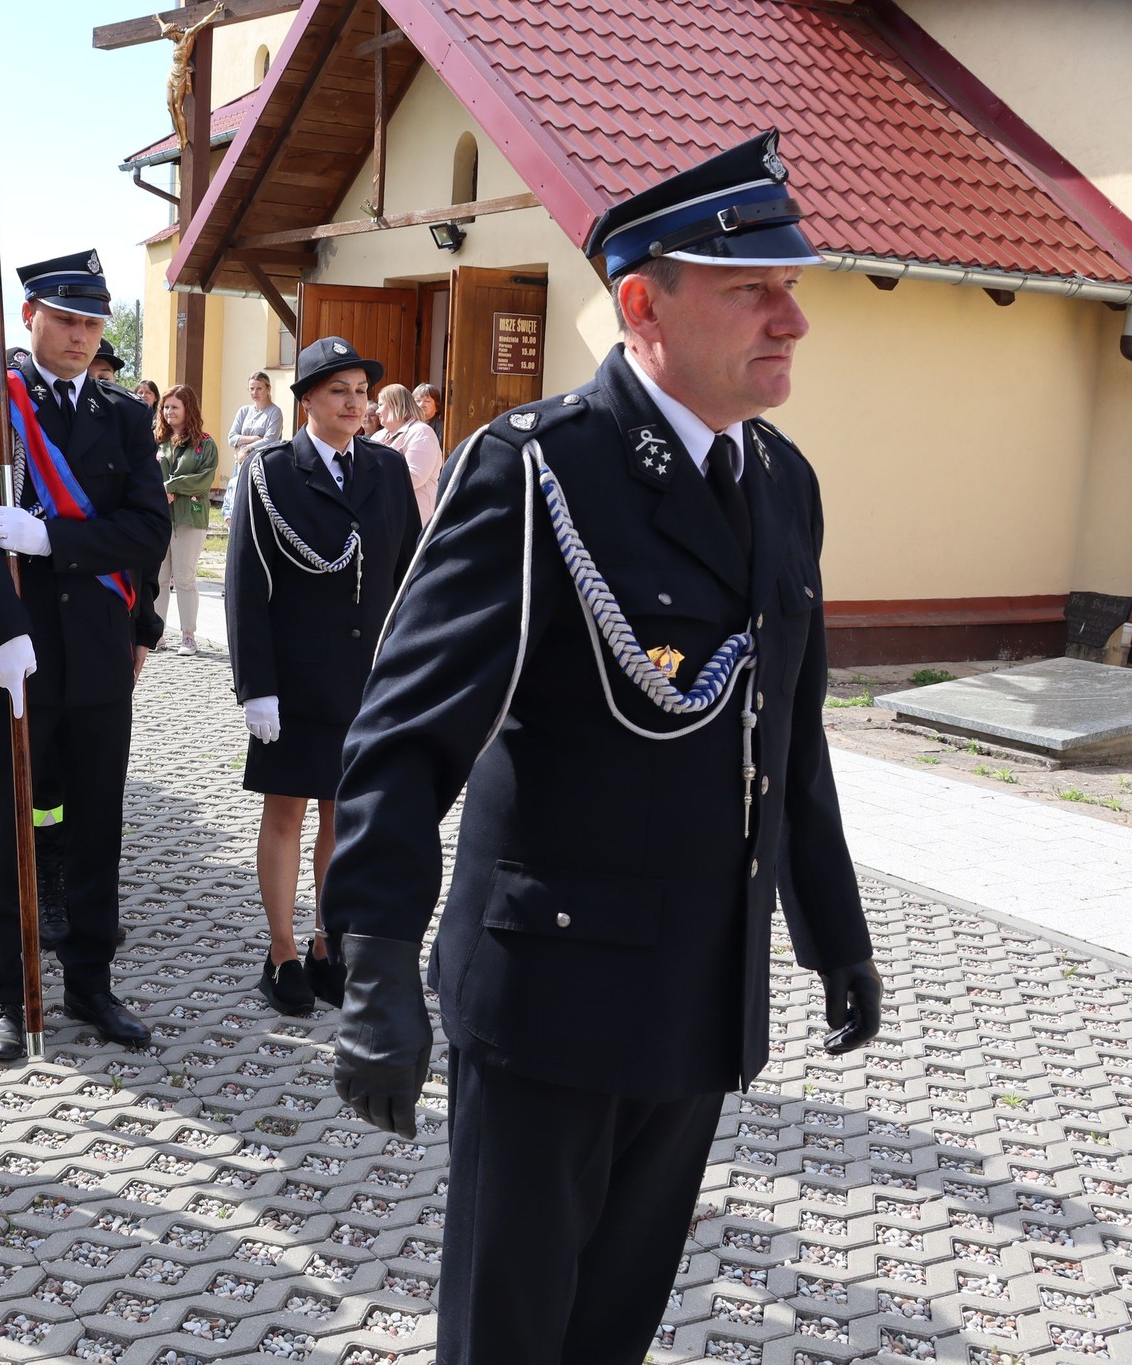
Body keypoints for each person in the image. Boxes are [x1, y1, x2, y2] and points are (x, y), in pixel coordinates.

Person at [321, 132, 883, 1363]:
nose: (792, 317)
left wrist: (829, 933)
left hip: (695, 994)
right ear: (642, 304)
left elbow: (790, 739)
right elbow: (400, 743)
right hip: (548, 1005)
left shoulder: (781, 482)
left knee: (610, 1331)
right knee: (510, 1337)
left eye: (791, 286)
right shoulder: (537, 473)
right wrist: (371, 968)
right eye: (752, 288)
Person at [0, 248, 170, 1061]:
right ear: (29, 316)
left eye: (91, 322)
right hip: (11, 652)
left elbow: (149, 530)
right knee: (3, 824)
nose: (78, 335)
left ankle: (90, 979)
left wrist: (53, 538)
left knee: (96, 822)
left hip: (98, 655)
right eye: (64, 318)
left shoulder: (124, 417)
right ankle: (5, 987)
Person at [225, 337, 420, 1017]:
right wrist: (257, 685)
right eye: (339, 391)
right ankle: (280, 951)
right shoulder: (272, 471)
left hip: (366, 682)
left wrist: (412, 670)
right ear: (306, 399)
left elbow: (408, 575)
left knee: (344, 820)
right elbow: (245, 582)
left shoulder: (388, 471)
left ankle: (325, 944)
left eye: (362, 392)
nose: (354, 403)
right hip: (295, 681)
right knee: (286, 814)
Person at [152, 384, 217, 656]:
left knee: (185, 578)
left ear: (188, 408)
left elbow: (205, 478)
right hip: (159, 518)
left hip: (190, 518)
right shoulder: (157, 441)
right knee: (158, 577)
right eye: (165, 407)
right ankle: (156, 634)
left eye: (174, 407)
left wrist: (172, 486)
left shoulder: (204, 443)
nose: (168, 412)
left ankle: (188, 636)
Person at [373, 382, 444, 524]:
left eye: (381, 405)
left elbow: (413, 477)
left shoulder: (421, 432)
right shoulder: (378, 436)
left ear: (396, 405)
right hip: (386, 519)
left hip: (414, 521)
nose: (377, 411)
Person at [222, 372, 283, 530]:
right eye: (251, 388)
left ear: (268, 389)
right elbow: (231, 438)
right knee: (236, 499)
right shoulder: (244, 411)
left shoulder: (274, 412)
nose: (255, 393)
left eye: (259, 388)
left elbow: (270, 440)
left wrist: (246, 448)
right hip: (241, 463)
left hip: (262, 464)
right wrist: (254, 438)